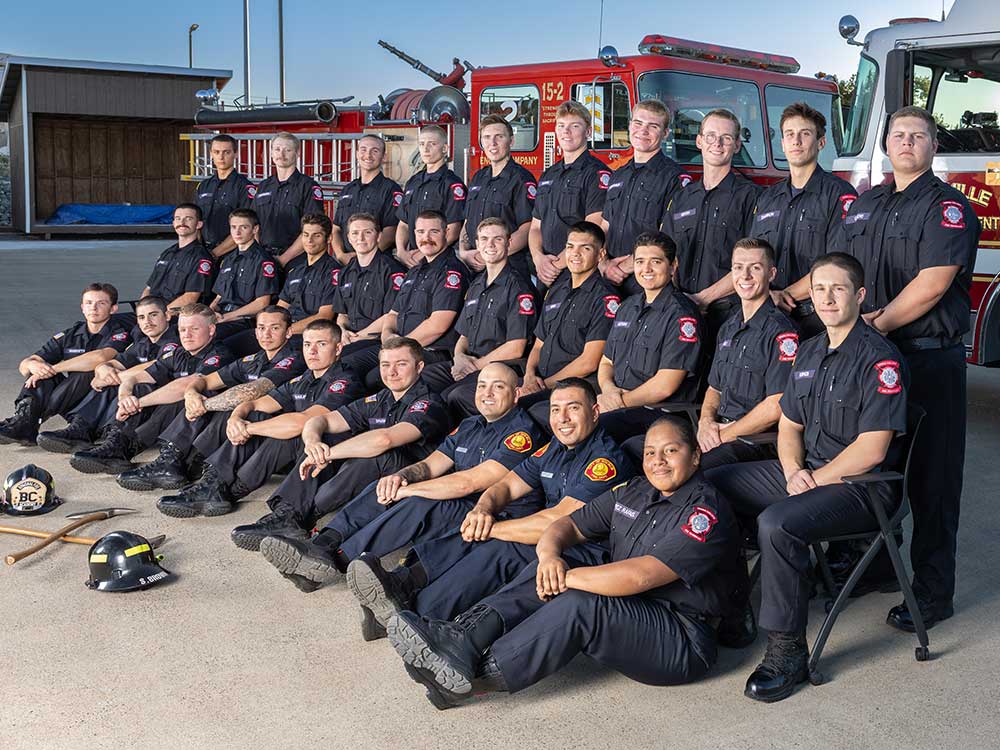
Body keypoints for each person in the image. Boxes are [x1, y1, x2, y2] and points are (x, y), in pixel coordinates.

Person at [385, 416, 745, 710]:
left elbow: (639, 576)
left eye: (671, 450)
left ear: (695, 456)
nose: (658, 461)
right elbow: (566, 525)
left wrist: (567, 576)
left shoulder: (704, 512)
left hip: (681, 637)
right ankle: (461, 638)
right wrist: (550, 557)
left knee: (581, 600)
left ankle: (474, 678)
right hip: (632, 608)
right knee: (554, 563)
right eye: (651, 452)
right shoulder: (634, 489)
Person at [706, 253, 907, 703]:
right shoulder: (811, 350)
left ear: (859, 296)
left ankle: (787, 651)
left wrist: (815, 477)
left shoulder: (880, 360)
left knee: (778, 524)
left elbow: (873, 448)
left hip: (861, 487)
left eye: (838, 289)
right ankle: (733, 605)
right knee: (713, 486)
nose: (828, 298)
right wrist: (795, 470)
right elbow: (789, 426)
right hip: (808, 473)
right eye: (819, 289)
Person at [836, 106, 980, 633]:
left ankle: (933, 590)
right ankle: (877, 566)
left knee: (933, 477)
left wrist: (872, 325)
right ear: (886, 143)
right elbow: (838, 270)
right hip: (874, 358)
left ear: (932, 146)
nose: (906, 143)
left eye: (917, 136)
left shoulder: (948, 208)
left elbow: (934, 283)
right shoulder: (866, 204)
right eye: (898, 135)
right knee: (874, 466)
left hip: (927, 355)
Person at [346, 378, 632, 633]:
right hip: (551, 534)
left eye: (573, 408)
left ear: (594, 413)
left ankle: (416, 615)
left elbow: (556, 520)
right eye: (556, 410)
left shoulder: (605, 462)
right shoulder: (555, 447)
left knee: (502, 545)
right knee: (475, 521)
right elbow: (507, 485)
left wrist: (494, 528)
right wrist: (483, 510)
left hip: (585, 545)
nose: (563, 418)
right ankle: (405, 583)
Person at [259, 363, 544, 597]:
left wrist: (409, 491)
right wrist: (401, 477)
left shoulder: (522, 433)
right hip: (458, 500)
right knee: (388, 483)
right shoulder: (471, 424)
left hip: (488, 513)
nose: (487, 393)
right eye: (482, 385)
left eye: (499, 387)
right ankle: (324, 542)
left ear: (516, 394)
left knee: (418, 501)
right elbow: (431, 465)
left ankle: (334, 559)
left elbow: (469, 482)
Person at [229, 337, 451, 551]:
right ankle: (288, 515)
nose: (391, 372)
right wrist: (313, 443)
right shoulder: (381, 398)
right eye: (385, 364)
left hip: (413, 477)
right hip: (379, 479)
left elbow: (385, 439)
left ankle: (305, 515)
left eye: (401, 364)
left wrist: (328, 455)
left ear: (419, 366)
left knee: (378, 454)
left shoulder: (428, 403)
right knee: (323, 439)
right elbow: (320, 420)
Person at [157, 319, 364, 517]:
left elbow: (305, 420)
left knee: (288, 433)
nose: (312, 351)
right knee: (252, 414)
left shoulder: (345, 380)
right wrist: (236, 417)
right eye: (307, 344)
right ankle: (213, 483)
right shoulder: (304, 379)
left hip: (327, 459)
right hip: (294, 456)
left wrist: (249, 428)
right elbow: (256, 403)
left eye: (321, 344)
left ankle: (230, 491)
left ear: (337, 349)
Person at [114, 306, 304, 491]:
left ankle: (184, 467)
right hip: (243, 433)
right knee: (201, 396)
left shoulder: (295, 359)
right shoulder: (252, 360)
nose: (266, 334)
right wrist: (192, 394)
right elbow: (204, 380)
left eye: (275, 328)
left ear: (288, 332)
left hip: (276, 439)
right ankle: (173, 463)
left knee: (226, 405)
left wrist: (203, 404)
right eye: (262, 328)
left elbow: (254, 390)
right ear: (255, 331)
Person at [66, 304, 234, 475]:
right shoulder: (177, 353)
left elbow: (187, 385)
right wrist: (126, 396)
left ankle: (168, 461)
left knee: (183, 398)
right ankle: (117, 445)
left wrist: (138, 403)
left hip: (204, 424)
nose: (187, 335)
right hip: (173, 420)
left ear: (211, 329)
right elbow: (136, 377)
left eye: (194, 329)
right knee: (140, 388)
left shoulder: (220, 355)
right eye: (183, 329)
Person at [752, 102, 857, 338]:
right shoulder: (768, 197)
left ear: (821, 143)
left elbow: (836, 265)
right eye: (789, 134)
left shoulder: (839, 195)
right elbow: (753, 255)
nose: (796, 141)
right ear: (782, 143)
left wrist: (784, 294)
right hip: (768, 317)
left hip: (816, 321)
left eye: (805, 134)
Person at [695, 238, 799, 470]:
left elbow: (776, 406)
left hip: (753, 442)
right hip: (718, 433)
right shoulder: (729, 327)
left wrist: (724, 435)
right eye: (738, 267)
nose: (745, 275)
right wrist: (705, 423)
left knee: (689, 471)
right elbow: (715, 388)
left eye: (755, 267)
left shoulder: (782, 333)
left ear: (771, 274)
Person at [660, 109, 759, 349]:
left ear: (736, 145)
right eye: (711, 135)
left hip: (729, 313)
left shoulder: (751, 197)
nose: (718, 143)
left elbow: (754, 262)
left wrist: (703, 299)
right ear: (699, 141)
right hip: (680, 311)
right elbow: (665, 254)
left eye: (726, 138)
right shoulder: (682, 197)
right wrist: (678, 300)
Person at [420, 218, 537, 417]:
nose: (489, 245)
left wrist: (474, 366)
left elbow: (516, 346)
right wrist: (459, 359)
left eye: (497, 239)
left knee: (451, 397)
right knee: (420, 379)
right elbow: (464, 334)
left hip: (499, 368)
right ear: (477, 243)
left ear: (509, 243)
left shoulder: (519, 288)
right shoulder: (476, 285)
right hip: (468, 363)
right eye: (484, 239)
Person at [595, 231, 702, 443]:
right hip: (617, 404)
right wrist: (608, 391)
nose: (647, 269)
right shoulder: (627, 307)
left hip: (657, 414)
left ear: (673, 266)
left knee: (587, 429)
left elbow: (665, 385)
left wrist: (621, 402)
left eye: (656, 262)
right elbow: (606, 362)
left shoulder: (682, 315)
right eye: (640, 261)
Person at [35, 296, 178, 453]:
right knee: (107, 380)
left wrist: (113, 378)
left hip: (166, 403)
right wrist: (103, 369)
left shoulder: (175, 340)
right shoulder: (144, 343)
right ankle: (82, 428)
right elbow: (118, 361)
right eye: (141, 317)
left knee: (135, 386)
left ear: (167, 315)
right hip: (143, 402)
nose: (147, 322)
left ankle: (117, 441)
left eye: (153, 315)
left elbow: (156, 366)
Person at [344, 210, 468, 390]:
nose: (426, 238)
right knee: (344, 362)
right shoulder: (414, 272)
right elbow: (393, 314)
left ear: (446, 233)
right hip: (399, 344)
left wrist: (398, 347)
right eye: (420, 232)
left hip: (429, 351)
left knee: (374, 378)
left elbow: (437, 325)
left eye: (433, 231)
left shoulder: (451, 273)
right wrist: (387, 336)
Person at [0, 283, 132, 446]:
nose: (94, 308)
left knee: (90, 371)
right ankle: (23, 420)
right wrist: (33, 366)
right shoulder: (71, 334)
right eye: (89, 303)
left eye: (101, 303)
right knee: (40, 374)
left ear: (113, 309)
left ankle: (28, 422)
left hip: (100, 400)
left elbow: (101, 357)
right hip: (72, 398)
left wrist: (54, 368)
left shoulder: (121, 331)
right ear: (82, 307)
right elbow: (26, 365)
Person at [519, 222, 619, 422]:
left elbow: (589, 362)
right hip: (541, 382)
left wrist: (543, 385)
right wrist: (529, 375)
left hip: (574, 389)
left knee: (521, 413)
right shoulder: (557, 290)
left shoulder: (606, 299)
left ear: (600, 255)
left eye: (585, 248)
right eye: (570, 246)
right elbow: (539, 345)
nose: (575, 253)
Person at [600, 98, 689, 295]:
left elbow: (669, 237)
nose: (643, 131)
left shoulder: (674, 179)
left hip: (646, 282)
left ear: (665, 133)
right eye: (638, 123)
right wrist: (603, 263)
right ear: (630, 125)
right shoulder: (618, 174)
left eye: (653, 126)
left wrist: (624, 268)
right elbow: (604, 226)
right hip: (608, 279)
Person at [529, 101, 609, 288]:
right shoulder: (549, 175)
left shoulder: (596, 174)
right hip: (544, 270)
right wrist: (538, 258)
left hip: (576, 272)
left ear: (588, 132)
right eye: (561, 126)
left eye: (575, 126)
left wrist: (555, 265)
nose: (566, 132)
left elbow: (593, 228)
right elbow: (535, 227)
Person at [458, 114, 537, 280]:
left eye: (499, 137)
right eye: (487, 137)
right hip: (474, 267)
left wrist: (489, 255)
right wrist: (464, 253)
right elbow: (467, 221)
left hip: (508, 268)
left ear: (511, 141)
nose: (492, 143)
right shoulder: (478, 177)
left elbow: (527, 228)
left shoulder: (522, 179)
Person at [332, 213, 405, 358]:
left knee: (336, 358)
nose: (360, 238)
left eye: (367, 232)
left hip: (376, 341)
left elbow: (391, 316)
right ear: (348, 238)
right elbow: (342, 314)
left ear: (378, 237)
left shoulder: (392, 270)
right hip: (350, 339)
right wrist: (342, 330)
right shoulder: (345, 272)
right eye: (355, 233)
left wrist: (358, 336)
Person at [208, 208, 282, 347]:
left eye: (244, 227)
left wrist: (226, 317)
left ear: (255, 230)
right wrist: (209, 313)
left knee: (209, 337)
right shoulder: (228, 259)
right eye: (234, 227)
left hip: (245, 320)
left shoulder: (263, 261)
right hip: (223, 317)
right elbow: (219, 296)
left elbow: (262, 303)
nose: (237, 232)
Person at [395, 125, 466, 268]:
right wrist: (402, 252)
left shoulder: (452, 184)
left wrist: (423, 253)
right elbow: (403, 223)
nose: (425, 149)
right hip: (411, 259)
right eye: (422, 144)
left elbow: (453, 229)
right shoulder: (413, 182)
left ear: (445, 148)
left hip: (439, 261)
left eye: (432, 144)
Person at [251, 131, 326, 267]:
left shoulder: (308, 187)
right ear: (272, 153)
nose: (281, 154)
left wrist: (284, 259)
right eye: (277, 149)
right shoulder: (263, 186)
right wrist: (259, 253)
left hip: (296, 261)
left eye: (288, 150)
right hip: (263, 258)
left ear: (297, 154)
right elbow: (253, 222)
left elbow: (313, 228)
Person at [331, 134, 401, 263]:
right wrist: (340, 255)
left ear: (384, 157)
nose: (368, 155)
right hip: (344, 264)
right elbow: (336, 229)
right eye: (363, 150)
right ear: (357, 154)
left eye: (375, 151)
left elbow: (391, 232)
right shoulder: (348, 189)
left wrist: (363, 259)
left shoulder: (391, 189)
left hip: (376, 264)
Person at [140, 204, 215, 311]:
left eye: (188, 219)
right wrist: (142, 311)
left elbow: (191, 297)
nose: (182, 223)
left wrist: (160, 314)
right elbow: (148, 289)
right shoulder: (167, 253)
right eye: (178, 219)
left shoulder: (201, 258)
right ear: (173, 223)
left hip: (177, 315)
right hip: (153, 313)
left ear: (198, 224)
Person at [276, 213, 340, 336]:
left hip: (308, 336)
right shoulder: (295, 271)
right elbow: (280, 309)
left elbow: (324, 317)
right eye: (306, 235)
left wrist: (284, 331)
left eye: (317, 236)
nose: (309, 240)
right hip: (284, 332)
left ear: (329, 238)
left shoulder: (333, 273)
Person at [193, 133, 254, 258]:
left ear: (235, 154)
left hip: (232, 254)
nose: (221, 157)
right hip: (204, 252)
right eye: (216, 152)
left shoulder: (244, 187)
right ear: (211, 154)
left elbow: (246, 226)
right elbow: (196, 220)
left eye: (226, 152)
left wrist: (214, 254)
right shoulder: (203, 186)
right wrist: (200, 249)